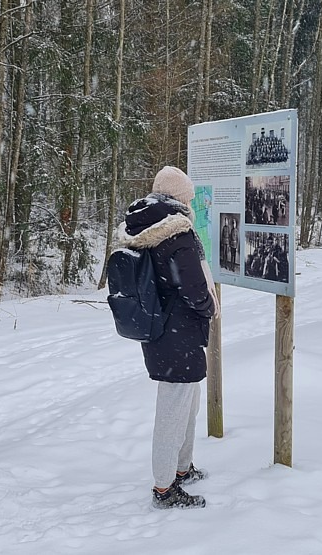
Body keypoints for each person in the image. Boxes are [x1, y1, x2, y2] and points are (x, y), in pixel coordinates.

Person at [116, 166, 219, 509]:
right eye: (189, 198)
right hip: (179, 331)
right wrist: (209, 307)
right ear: (180, 199)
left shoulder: (146, 228)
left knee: (187, 399)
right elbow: (193, 289)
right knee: (173, 408)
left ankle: (181, 467)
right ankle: (164, 487)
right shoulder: (177, 234)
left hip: (161, 329)